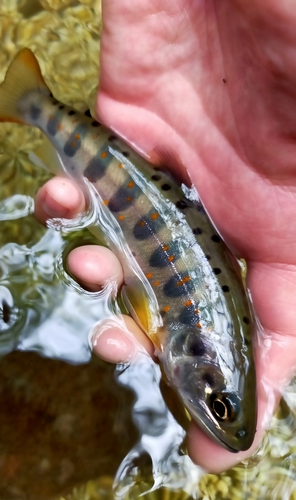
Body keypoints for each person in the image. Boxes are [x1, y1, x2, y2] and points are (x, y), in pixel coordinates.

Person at [34, 0, 296, 473]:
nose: (217, 415)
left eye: (222, 409)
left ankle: (38, 108)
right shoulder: (200, 342)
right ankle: (36, 107)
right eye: (220, 407)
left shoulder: (201, 341)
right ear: (200, 360)